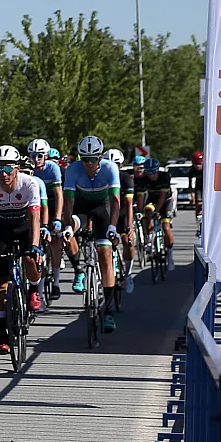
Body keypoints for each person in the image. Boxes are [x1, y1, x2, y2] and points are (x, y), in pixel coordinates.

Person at [0, 145, 44, 355]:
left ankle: (33, 290)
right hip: (2, 231)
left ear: (17, 168)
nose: (3, 174)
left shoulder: (29, 183)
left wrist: (34, 246)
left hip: (25, 228)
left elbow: (35, 219)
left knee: (30, 260)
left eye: (7, 168)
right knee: (0, 283)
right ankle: (3, 335)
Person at [62, 135, 122, 333]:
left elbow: (115, 201)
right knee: (69, 233)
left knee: (105, 255)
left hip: (102, 206)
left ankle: (109, 311)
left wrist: (112, 227)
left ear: (101, 157)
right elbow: (68, 202)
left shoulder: (110, 168)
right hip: (80, 205)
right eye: (84, 158)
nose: (88, 163)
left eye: (93, 159)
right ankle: (79, 271)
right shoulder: (73, 169)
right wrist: (68, 225)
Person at [27, 139, 65, 299]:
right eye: (33, 156)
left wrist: (57, 218)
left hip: (52, 202)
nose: (36, 159)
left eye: (40, 156)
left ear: (46, 156)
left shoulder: (53, 168)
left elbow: (59, 195)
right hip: (37, 203)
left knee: (55, 240)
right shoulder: (29, 170)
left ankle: (56, 282)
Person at [107, 148, 137, 293]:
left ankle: (128, 273)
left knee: (127, 241)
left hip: (123, 213)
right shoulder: (102, 177)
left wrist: (130, 227)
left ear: (121, 165)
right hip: (108, 213)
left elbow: (129, 203)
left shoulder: (126, 178)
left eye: (116, 164)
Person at [139, 157, 175, 270]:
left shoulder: (165, 177)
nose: (151, 176)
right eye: (148, 173)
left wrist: (157, 211)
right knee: (147, 212)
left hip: (166, 202)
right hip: (153, 201)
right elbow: (140, 197)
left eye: (153, 172)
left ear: (157, 170)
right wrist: (140, 212)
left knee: (166, 227)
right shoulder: (143, 180)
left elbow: (163, 197)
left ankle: (170, 255)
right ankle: (149, 240)